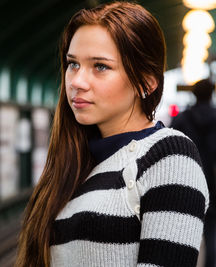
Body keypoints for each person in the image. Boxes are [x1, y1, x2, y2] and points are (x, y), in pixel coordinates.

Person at [15, 2, 209, 267]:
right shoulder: (72, 163)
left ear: (147, 82)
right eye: (73, 64)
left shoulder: (170, 157)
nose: (77, 82)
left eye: (100, 67)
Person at [171, 79, 216, 267]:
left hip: (187, 184)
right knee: (213, 232)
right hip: (214, 184)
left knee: (181, 234)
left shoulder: (182, 119)